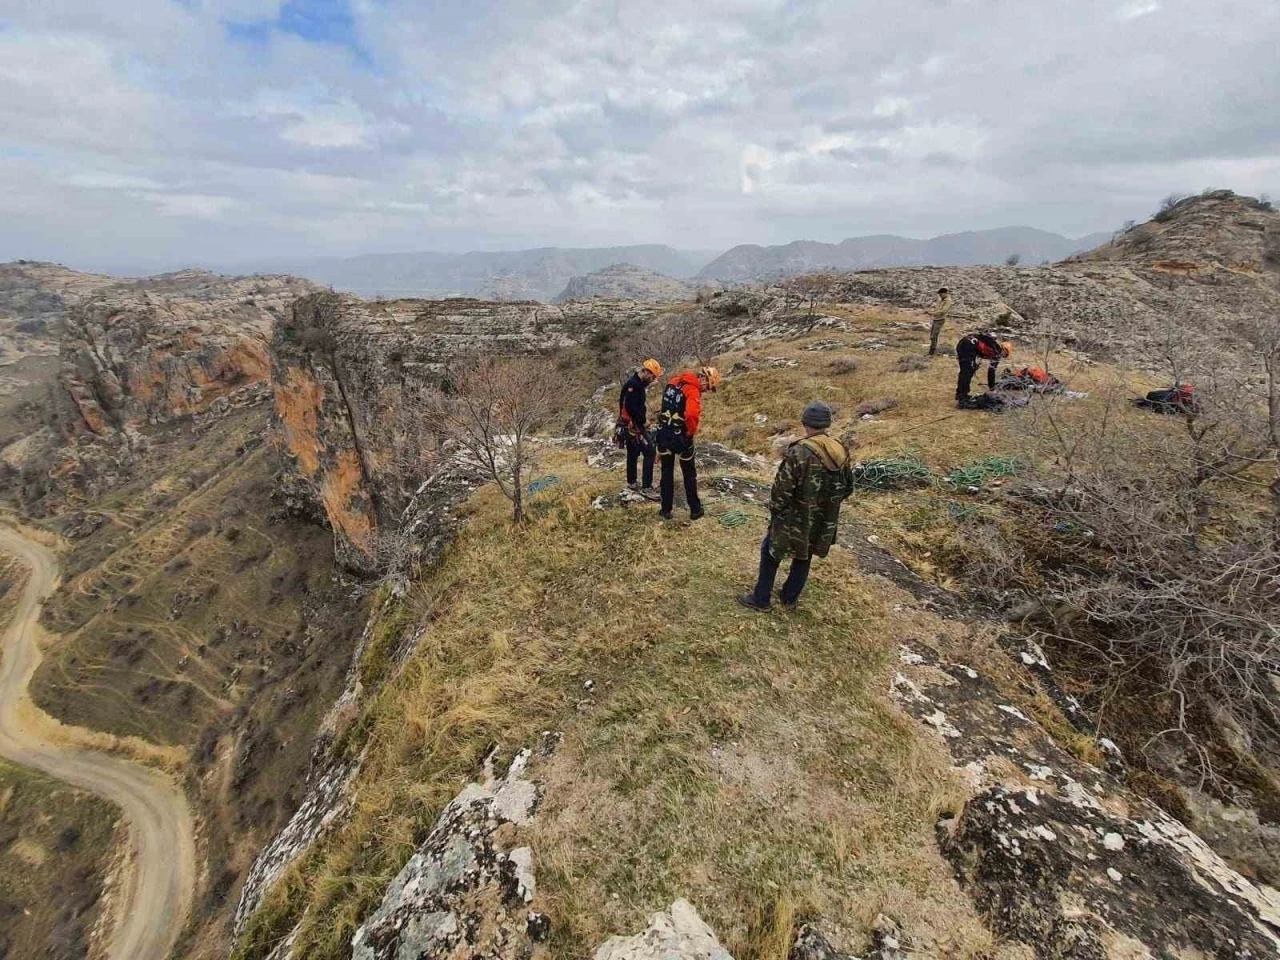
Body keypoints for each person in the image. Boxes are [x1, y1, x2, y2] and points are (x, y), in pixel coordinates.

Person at [738, 401, 854, 611]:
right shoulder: (840, 449)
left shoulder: (800, 452)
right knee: (805, 553)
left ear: (805, 423)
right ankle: (789, 597)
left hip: (794, 517)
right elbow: (848, 488)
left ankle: (761, 599)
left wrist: (775, 509)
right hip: (822, 519)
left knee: (771, 551)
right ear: (827, 423)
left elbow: (782, 490)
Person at [654, 365, 722, 521]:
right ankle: (695, 510)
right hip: (680, 436)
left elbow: (665, 406)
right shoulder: (692, 390)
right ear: (703, 378)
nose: (706, 390)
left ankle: (665, 510)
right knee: (689, 473)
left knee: (666, 472)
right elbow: (691, 414)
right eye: (708, 386)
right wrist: (689, 433)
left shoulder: (673, 381)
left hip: (664, 433)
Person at [618, 358, 663, 493]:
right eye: (653, 377)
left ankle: (632, 482)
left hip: (628, 424)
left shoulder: (635, 384)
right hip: (633, 426)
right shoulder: (634, 386)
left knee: (632, 453)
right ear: (648, 373)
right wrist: (643, 422)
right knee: (649, 451)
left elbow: (626, 405)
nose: (652, 380)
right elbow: (631, 408)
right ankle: (646, 487)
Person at [955, 333, 1012, 407]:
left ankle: (961, 394)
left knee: (968, 371)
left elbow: (981, 340)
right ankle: (962, 397)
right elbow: (991, 371)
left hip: (964, 343)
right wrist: (992, 388)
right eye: (1005, 353)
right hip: (969, 346)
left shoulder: (994, 347)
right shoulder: (996, 351)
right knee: (967, 371)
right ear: (1004, 350)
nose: (1003, 355)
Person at [927, 287, 954, 356]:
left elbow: (943, 311)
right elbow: (936, 307)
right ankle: (932, 349)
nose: (940, 296)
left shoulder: (948, 301)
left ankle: (931, 352)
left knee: (934, 336)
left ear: (945, 293)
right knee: (932, 335)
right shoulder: (940, 299)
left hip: (940, 320)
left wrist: (932, 313)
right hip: (935, 319)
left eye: (941, 294)